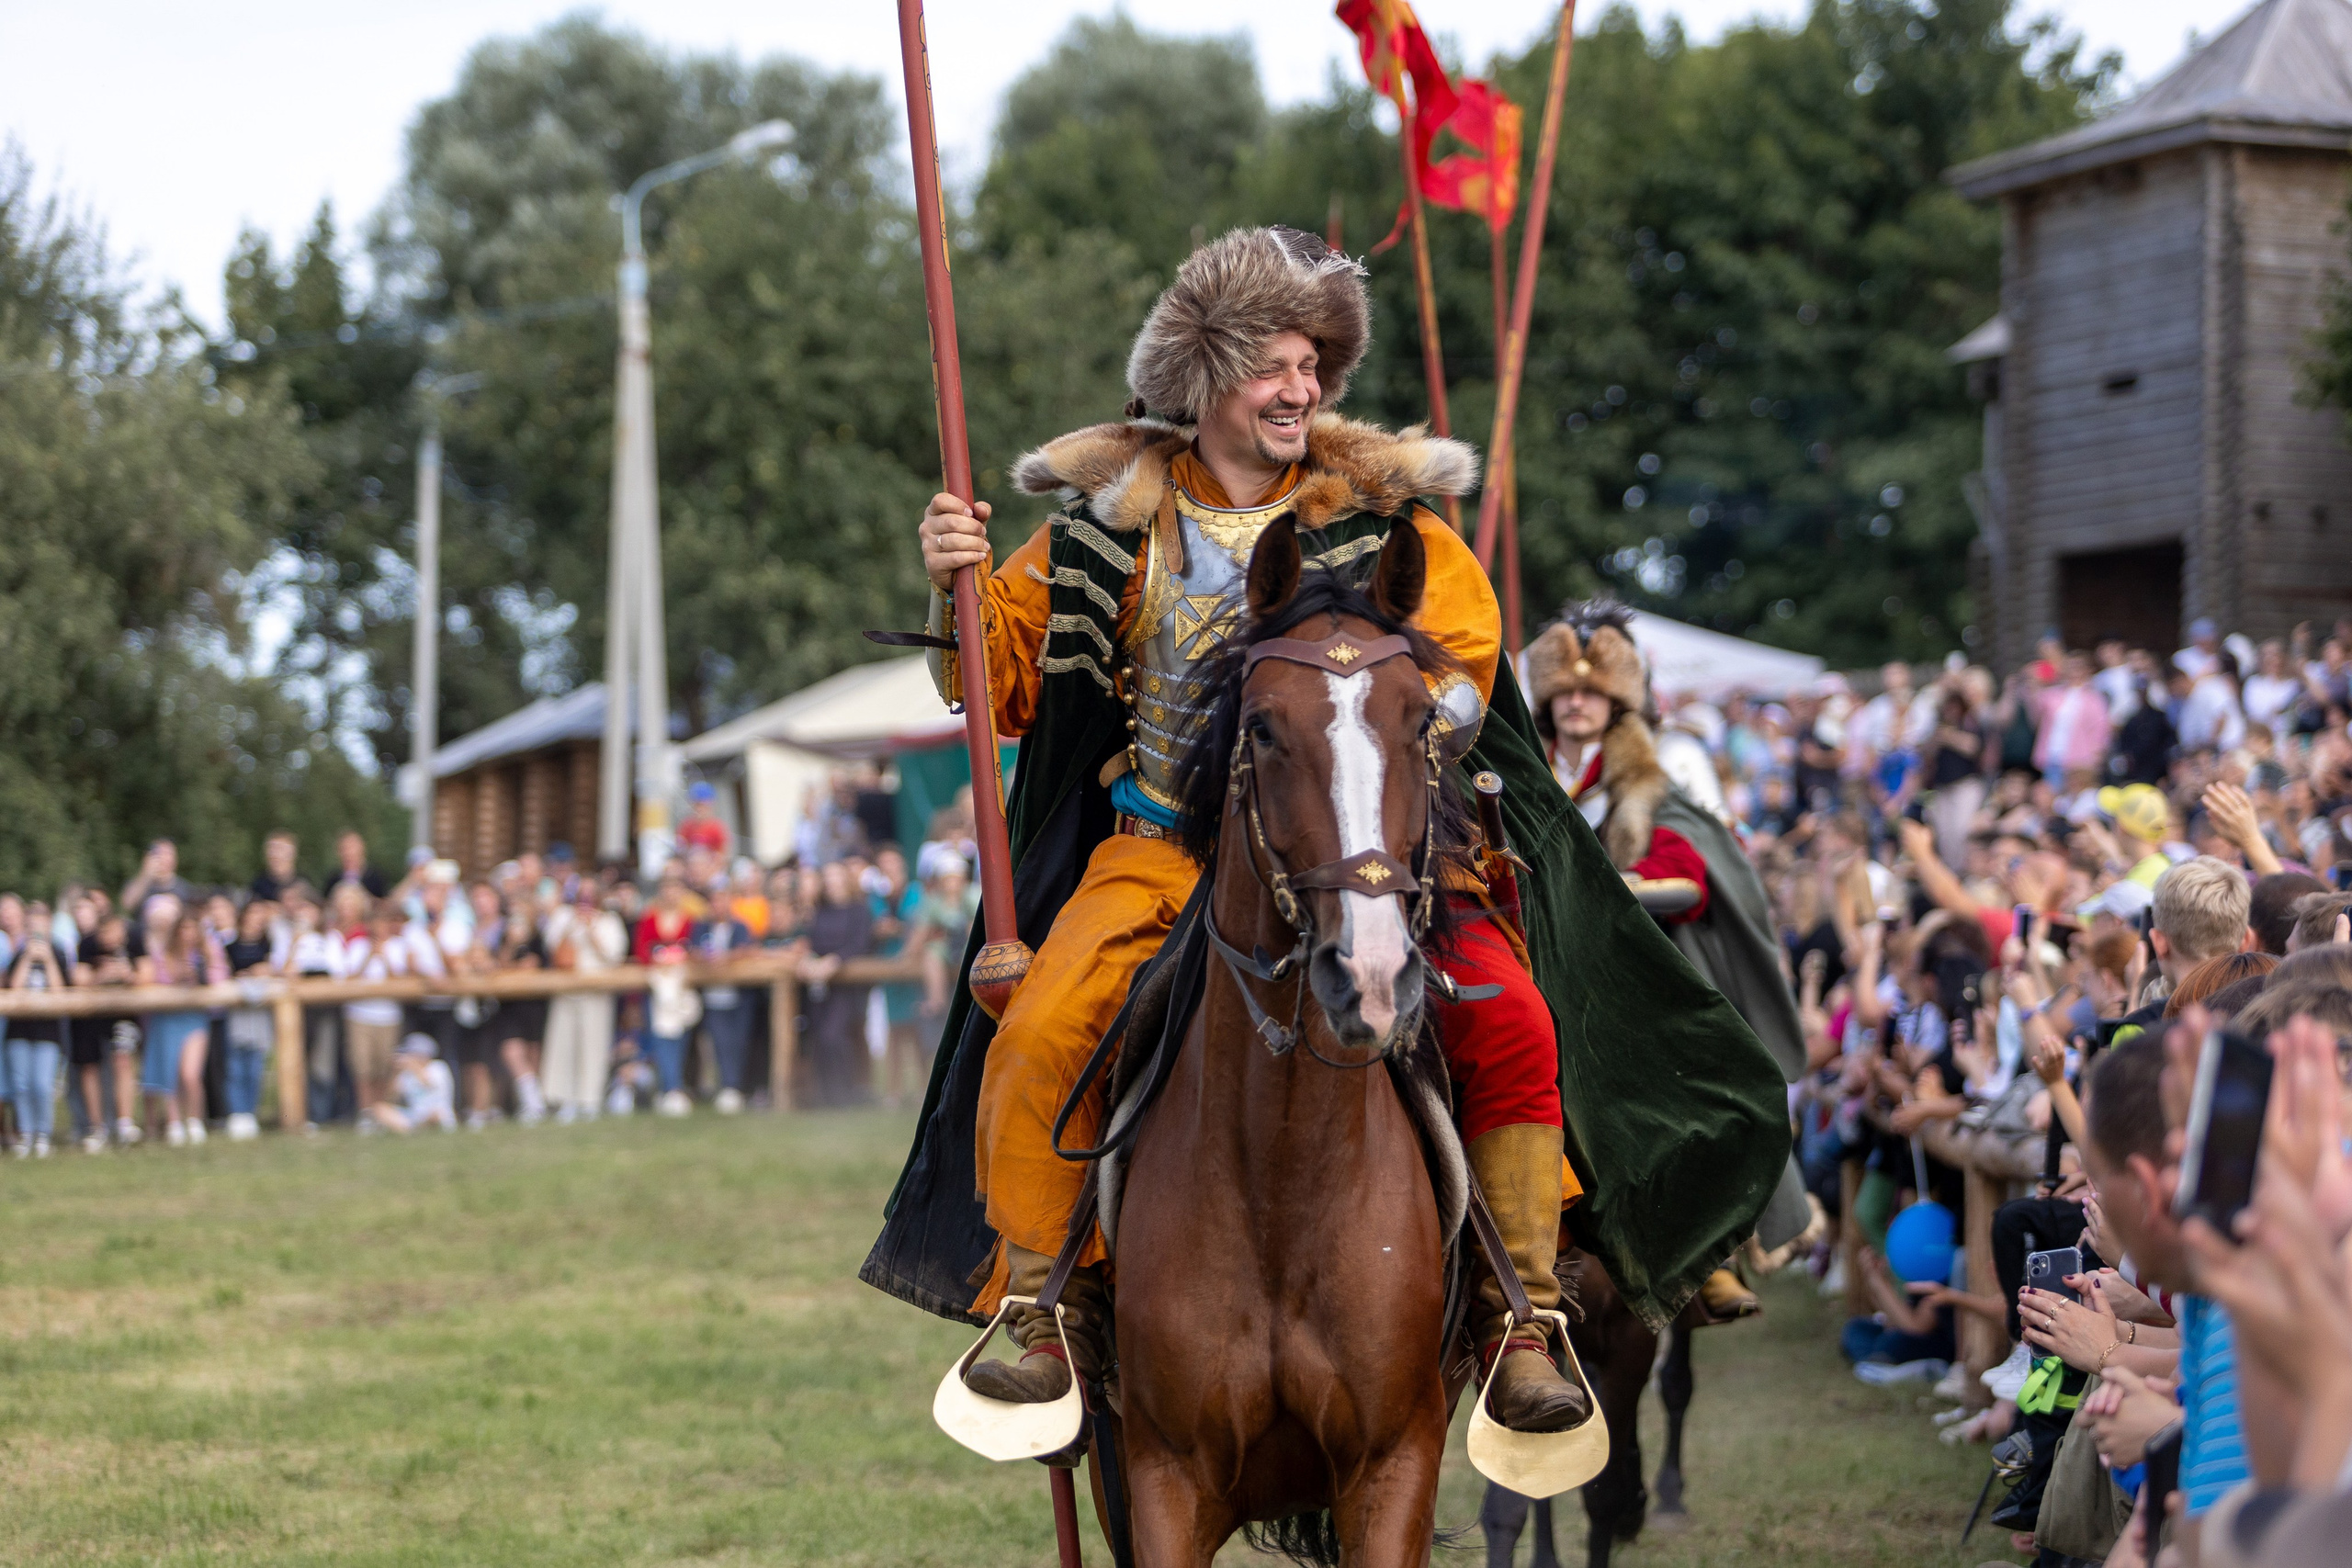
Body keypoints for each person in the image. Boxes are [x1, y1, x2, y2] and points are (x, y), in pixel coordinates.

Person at [870, 225, 1787, 1431]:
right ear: (1204, 375)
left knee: (1509, 1016)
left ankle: (1523, 1318)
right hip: (1155, 852)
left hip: (1370, 859)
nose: (1302, 387)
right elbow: (1003, 683)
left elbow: (1467, 659)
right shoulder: (1108, 527)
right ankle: (1045, 1305)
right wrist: (957, 581)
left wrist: (1390, 720)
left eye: (1313, 364)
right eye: (1274, 363)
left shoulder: (1381, 514)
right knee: (1041, 1024)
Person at [1524, 601, 1815, 1318]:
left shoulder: (1653, 772)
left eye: (1593, 692)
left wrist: (1610, 886)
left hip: (1613, 974)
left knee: (1673, 1078)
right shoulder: (1519, 767)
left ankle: (1697, 1254)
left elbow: (1690, 874)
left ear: (1618, 700)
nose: (1579, 703)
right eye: (1566, 691)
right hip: (1522, 954)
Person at [137, 900, 222, 1145]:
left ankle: (194, 1120)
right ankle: (174, 1122)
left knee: (190, 1074)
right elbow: (155, 980)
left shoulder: (207, 953)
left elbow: (219, 978)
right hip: (167, 1019)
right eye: (183, 928)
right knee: (169, 1073)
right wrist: (177, 977)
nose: (188, 934)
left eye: (192, 929)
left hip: (194, 1018)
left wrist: (200, 976)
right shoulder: (163, 955)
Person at [542, 883, 626, 1122]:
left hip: (596, 993)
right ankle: (563, 1100)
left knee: (593, 1045)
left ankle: (589, 1100)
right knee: (563, 1046)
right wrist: (571, 928)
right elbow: (553, 950)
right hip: (567, 992)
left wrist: (591, 931)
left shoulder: (609, 921)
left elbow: (614, 955)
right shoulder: (563, 918)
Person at [340, 899, 410, 1125]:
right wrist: (370, 955)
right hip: (360, 1014)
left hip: (388, 1016)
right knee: (363, 1067)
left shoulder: (399, 946)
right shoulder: (358, 946)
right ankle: (366, 1112)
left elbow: (401, 981)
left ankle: (381, 1110)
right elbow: (349, 978)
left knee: (383, 1066)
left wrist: (385, 958)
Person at [6, 917, 69, 1156]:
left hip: (48, 1032)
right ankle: (26, 1133)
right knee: (21, 1084)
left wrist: (48, 958)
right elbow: (14, 987)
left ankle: (43, 1133)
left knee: (42, 1085)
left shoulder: (59, 954)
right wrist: (27, 958)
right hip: (19, 1031)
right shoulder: (19, 955)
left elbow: (59, 990)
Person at [220, 897, 277, 1141]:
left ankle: (250, 1113)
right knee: (235, 1066)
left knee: (255, 1066)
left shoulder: (269, 945)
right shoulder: (229, 946)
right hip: (236, 1012)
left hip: (260, 1012)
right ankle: (237, 1114)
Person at [371, 1034, 457, 1133]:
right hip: (415, 1115)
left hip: (437, 1114)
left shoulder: (438, 1067)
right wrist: (395, 1073)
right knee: (379, 1108)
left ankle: (411, 1130)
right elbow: (391, 1097)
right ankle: (411, 1130)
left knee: (435, 1116)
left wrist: (414, 1067)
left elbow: (430, 1085)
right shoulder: (406, 1073)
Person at [119, 839, 198, 924]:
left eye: (168, 854)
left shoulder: (183, 887)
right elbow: (127, 905)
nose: (163, 858)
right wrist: (146, 874)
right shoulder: (140, 883)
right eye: (158, 854)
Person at [321, 829, 387, 901]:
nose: (348, 853)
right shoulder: (333, 878)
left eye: (352, 847)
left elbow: (383, 903)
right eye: (344, 848)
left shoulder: (375, 876)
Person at [677, 781, 730, 858]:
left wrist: (709, 868)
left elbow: (723, 854)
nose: (699, 809)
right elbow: (681, 848)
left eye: (702, 806)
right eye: (696, 805)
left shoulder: (717, 828)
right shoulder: (687, 826)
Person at [249, 829, 301, 905]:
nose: (274, 854)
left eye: (280, 848)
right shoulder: (258, 883)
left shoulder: (303, 883)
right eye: (271, 848)